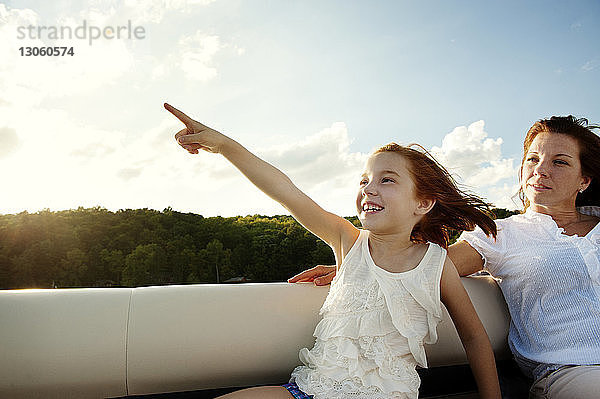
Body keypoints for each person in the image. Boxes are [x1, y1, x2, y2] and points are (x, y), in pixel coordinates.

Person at [164, 102, 502, 399]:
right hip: (310, 391)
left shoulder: (436, 264)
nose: (369, 188)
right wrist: (224, 146)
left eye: (387, 180)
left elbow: (474, 337)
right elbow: (286, 191)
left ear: (423, 202)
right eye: (364, 180)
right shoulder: (347, 242)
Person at [290, 116, 600, 399]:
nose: (540, 170)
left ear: (584, 181)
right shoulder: (500, 235)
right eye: (532, 159)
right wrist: (357, 264)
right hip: (573, 371)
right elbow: (422, 265)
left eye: (559, 162)